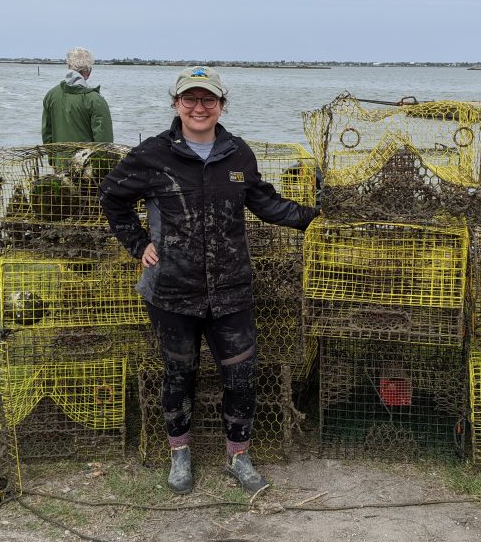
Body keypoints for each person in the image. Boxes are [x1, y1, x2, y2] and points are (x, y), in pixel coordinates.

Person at [99, 66, 318, 495]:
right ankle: (180, 453)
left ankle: (239, 456)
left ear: (221, 105)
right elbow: (112, 195)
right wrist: (137, 243)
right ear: (176, 103)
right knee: (179, 374)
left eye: (208, 100)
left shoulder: (238, 154)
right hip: (171, 290)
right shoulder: (152, 154)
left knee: (241, 377)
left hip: (231, 290)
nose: (199, 108)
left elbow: (268, 204)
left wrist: (318, 220)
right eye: (190, 99)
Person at [41, 47, 113, 145]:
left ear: (69, 67)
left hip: (59, 159)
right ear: (89, 72)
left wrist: (53, 160)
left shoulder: (51, 95)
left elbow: (47, 136)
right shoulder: (96, 101)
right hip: (87, 160)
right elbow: (105, 143)